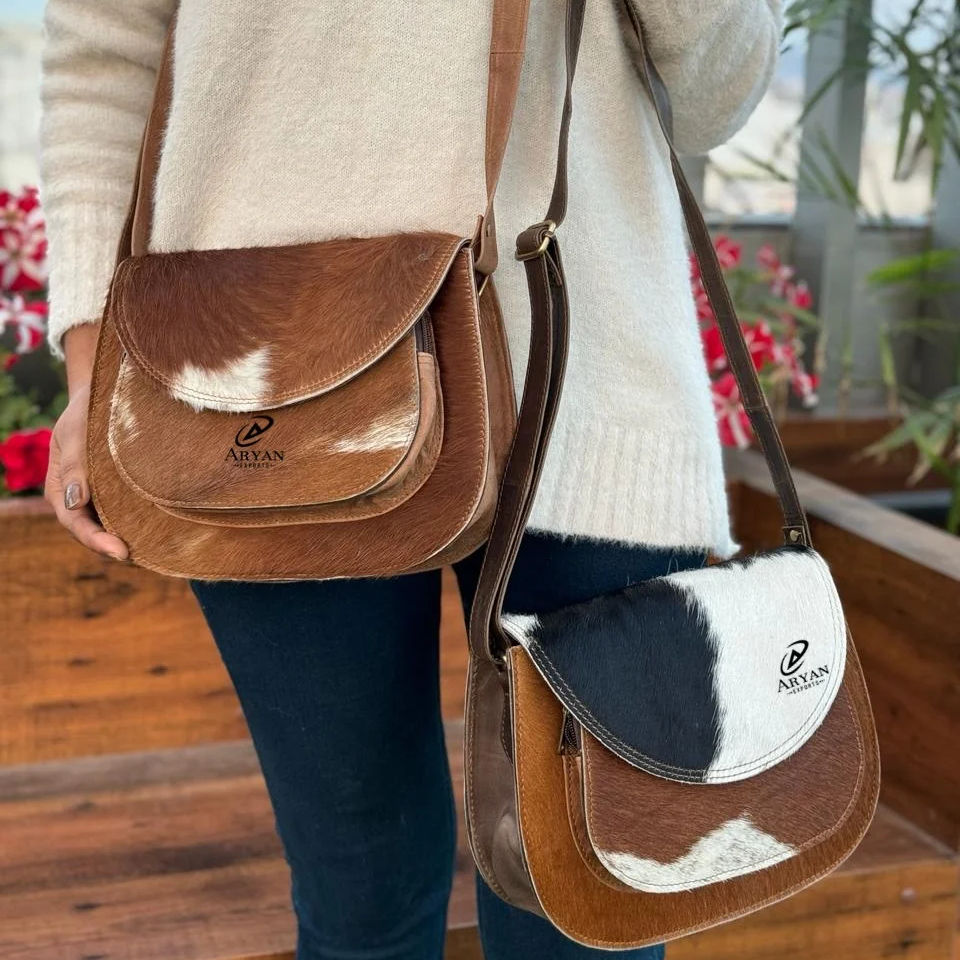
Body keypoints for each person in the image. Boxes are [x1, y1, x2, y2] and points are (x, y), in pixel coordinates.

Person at [40, 1, 782, 957]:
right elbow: (104, 52)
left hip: (585, 369)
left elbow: (717, 98)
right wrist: (92, 370)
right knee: (359, 893)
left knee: (588, 905)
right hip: (258, 379)